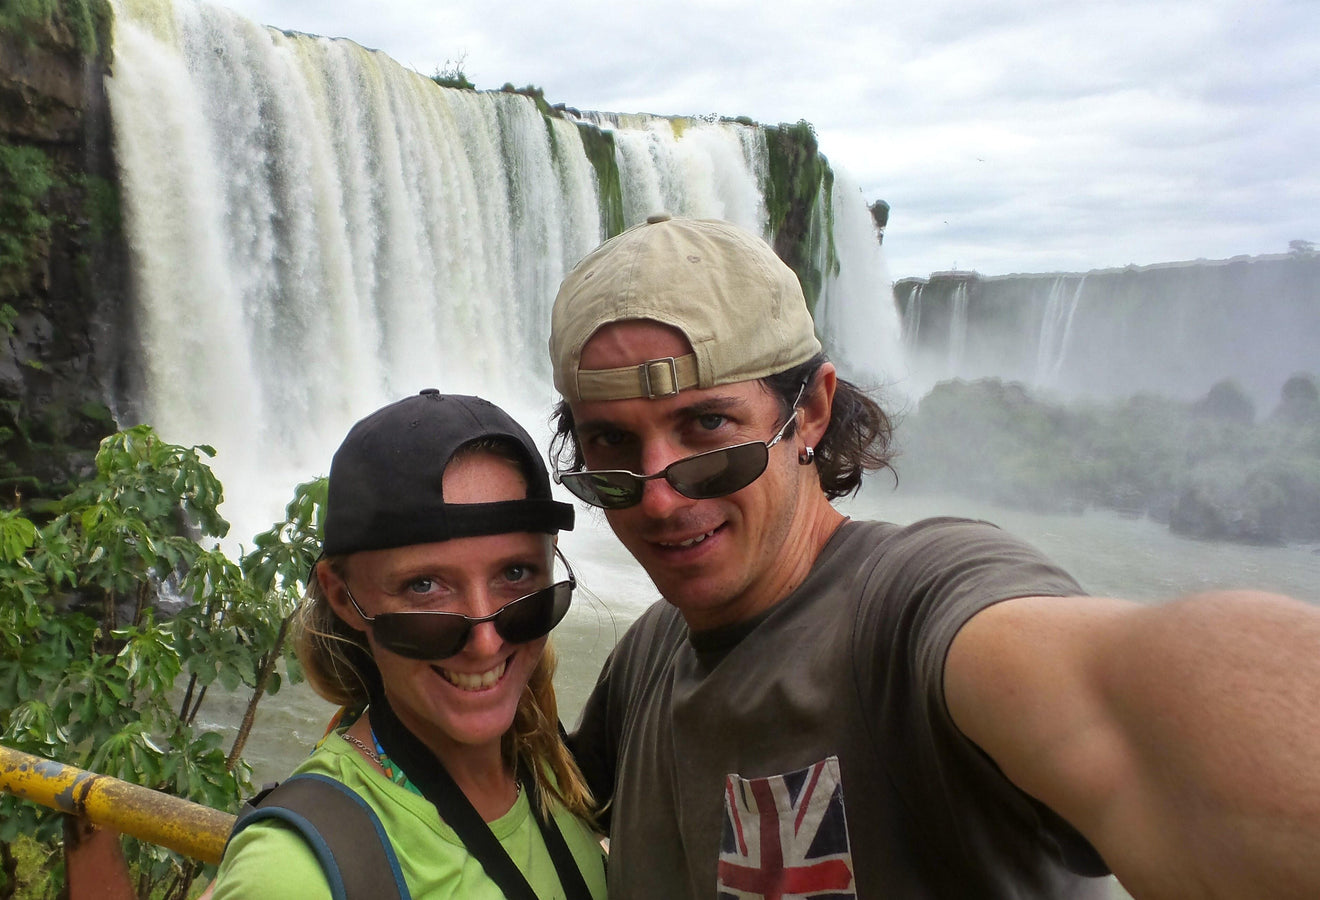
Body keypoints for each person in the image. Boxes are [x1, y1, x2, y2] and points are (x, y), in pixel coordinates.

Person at [547, 214, 1320, 899]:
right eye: (610, 444)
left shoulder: (914, 611)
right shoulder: (649, 657)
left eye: (708, 426)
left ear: (811, 411)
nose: (657, 498)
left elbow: (1141, 703)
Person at [214, 389, 607, 899]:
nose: (487, 642)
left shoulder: (546, 760)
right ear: (343, 596)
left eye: (516, 574)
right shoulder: (291, 871)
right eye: (424, 586)